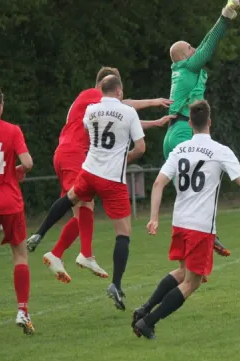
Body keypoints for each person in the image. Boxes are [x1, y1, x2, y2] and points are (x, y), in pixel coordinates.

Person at [132, 100, 240, 339]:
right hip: (200, 227)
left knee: (183, 272)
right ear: (210, 122)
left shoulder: (179, 150)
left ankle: (144, 308)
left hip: (180, 222)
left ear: (190, 123)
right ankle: (148, 321)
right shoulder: (220, 151)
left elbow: (158, 183)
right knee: (192, 282)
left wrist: (153, 217)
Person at [26, 66, 173, 282]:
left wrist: (154, 123)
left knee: (78, 203)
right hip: (75, 154)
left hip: (67, 154)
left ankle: (57, 252)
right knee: (84, 206)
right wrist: (153, 102)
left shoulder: (92, 104)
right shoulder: (93, 95)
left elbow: (121, 121)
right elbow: (124, 107)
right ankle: (80, 253)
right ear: (105, 86)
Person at [24, 75, 146, 310]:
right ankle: (115, 284)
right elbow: (140, 147)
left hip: (89, 171)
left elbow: (93, 135)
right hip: (111, 177)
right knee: (123, 232)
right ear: (119, 91)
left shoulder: (91, 110)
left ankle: (40, 232)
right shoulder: (128, 112)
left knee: (71, 199)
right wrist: (123, 158)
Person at [164, 0, 240, 258]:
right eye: (190, 48)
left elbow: (203, 42)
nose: (194, 48)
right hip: (186, 131)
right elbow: (208, 46)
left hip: (172, 134)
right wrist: (225, 16)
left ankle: (190, 253)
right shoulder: (188, 66)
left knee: (186, 196)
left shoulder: (181, 69)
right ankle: (206, 240)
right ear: (184, 56)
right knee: (203, 188)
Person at [0, 82, 35, 334]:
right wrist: (18, 170)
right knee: (19, 254)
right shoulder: (12, 130)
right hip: (10, 201)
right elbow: (28, 162)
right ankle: (22, 310)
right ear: (1, 105)